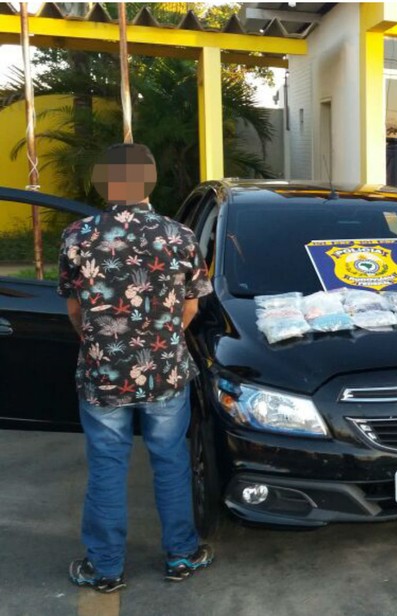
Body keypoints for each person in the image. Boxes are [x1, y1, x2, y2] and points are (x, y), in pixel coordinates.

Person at [58, 143, 215, 592]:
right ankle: (181, 555)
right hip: (164, 372)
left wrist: (100, 344)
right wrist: (159, 341)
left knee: (107, 466)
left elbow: (75, 309)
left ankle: (105, 568)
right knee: (170, 461)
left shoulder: (78, 236)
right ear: (149, 180)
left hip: (102, 375)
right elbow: (191, 306)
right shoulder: (179, 236)